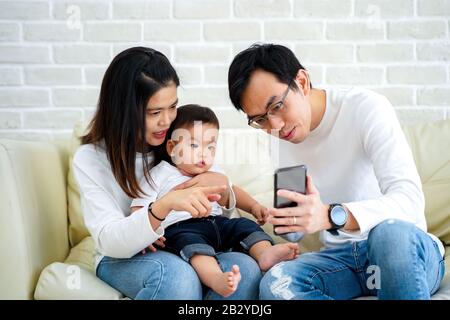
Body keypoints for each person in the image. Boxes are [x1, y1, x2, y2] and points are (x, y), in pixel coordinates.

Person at [227, 43, 446, 300]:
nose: (274, 125)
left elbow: (410, 201)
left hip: (403, 253)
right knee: (276, 283)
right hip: (342, 262)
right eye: (260, 119)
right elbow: (295, 228)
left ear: (302, 81)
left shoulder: (365, 107)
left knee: (389, 235)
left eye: (277, 106)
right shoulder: (280, 137)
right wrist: (287, 219)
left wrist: (331, 216)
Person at [72, 47, 263, 300]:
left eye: (172, 106)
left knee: (246, 270)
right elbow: (109, 240)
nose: (167, 120)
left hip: (189, 240)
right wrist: (159, 209)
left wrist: (222, 189)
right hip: (125, 255)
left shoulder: (178, 140)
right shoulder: (91, 159)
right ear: (124, 110)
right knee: (176, 278)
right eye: (154, 113)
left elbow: (215, 211)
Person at [130, 104, 299, 297]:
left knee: (243, 225)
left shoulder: (215, 172)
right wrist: (145, 235)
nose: (204, 153)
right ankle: (215, 278)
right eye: (194, 145)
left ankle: (264, 254)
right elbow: (139, 206)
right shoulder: (160, 174)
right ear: (172, 147)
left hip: (217, 224)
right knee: (193, 245)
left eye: (210, 146)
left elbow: (232, 190)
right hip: (181, 228)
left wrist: (254, 207)